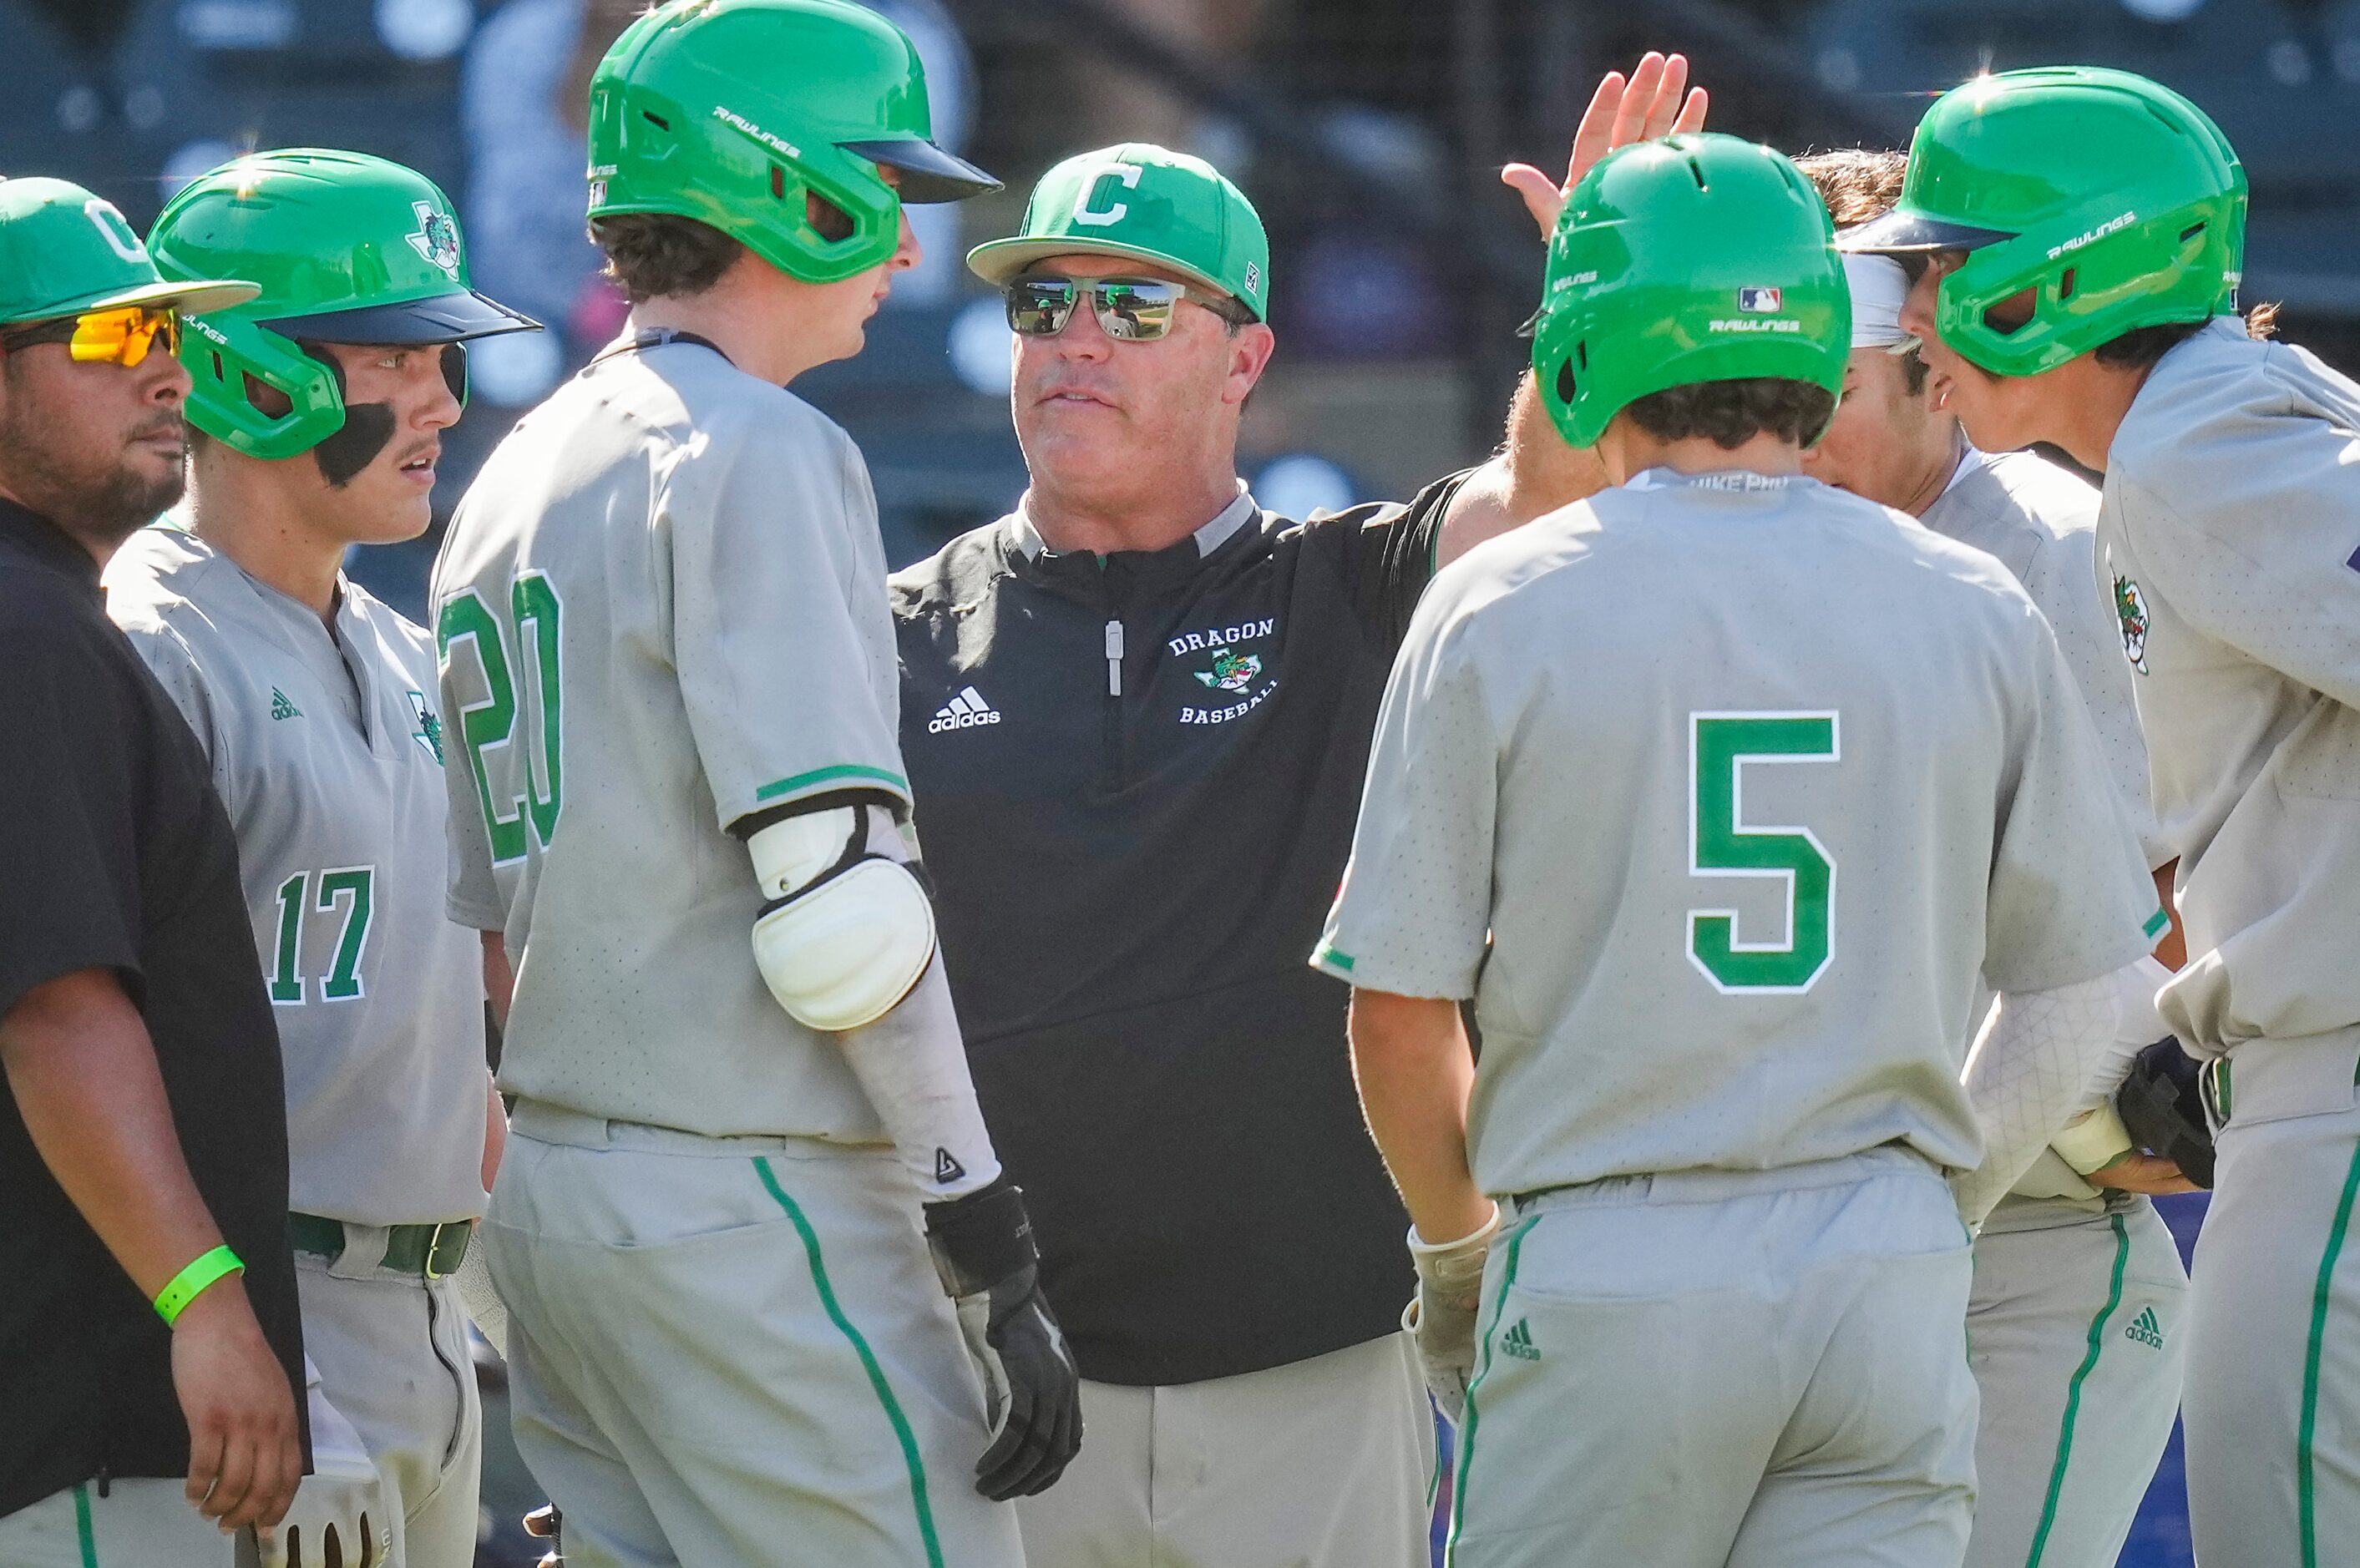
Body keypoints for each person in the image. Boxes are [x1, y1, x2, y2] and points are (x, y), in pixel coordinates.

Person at [889, 58, 1694, 1568]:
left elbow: (1548, 493)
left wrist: (1595, 280)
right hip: (983, 1378)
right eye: (1043, 303)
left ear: (1245, 355)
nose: (1075, 342)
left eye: (1136, 309)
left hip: (1312, 1368)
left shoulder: (1345, 588)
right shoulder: (892, 630)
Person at [1324, 131, 2170, 1567]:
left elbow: (1400, 1018)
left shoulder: (1495, 605)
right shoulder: (1971, 599)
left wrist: (1457, 1264)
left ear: (1589, 341)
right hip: (1890, 1273)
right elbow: (2085, 980)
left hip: (1612, 1258)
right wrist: (1917, 1194)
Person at [433, 4, 1081, 1565]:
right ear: (788, 189)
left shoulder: (508, 472)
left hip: (559, 1202)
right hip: (753, 1209)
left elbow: (479, 947)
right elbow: (840, 917)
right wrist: (982, 1223)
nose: (904, 244)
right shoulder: (759, 447)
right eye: (881, 190)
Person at [1843, 63, 2360, 1567]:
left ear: (2066, 271)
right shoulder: (2204, 423)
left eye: (1938, 265)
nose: (1917, 317)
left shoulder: (2195, 438)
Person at [100, 149, 538, 1568]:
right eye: (394, 355)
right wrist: (222, 1323)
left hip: (427, 1312)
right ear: (241, 371)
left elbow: (457, 1043)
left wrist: (545, 1337)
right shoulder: (144, 641)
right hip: (240, 1311)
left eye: (446, 356)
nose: (441, 403)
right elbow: (78, 1039)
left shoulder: (410, 654)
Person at [1797, 146, 2190, 1568]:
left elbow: (2145, 930)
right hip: (1775, 1247)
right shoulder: (1730, 554)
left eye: (1827, 389)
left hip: (2015, 1252)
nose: (1783, 424)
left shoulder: (2071, 548)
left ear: (1932, 362)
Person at [0, 176, 315, 1564]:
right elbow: (56, 1006)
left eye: (165, 332)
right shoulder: (23, 630)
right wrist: (203, 1297)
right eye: (111, 337)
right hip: (80, 1408)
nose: (169, 369)